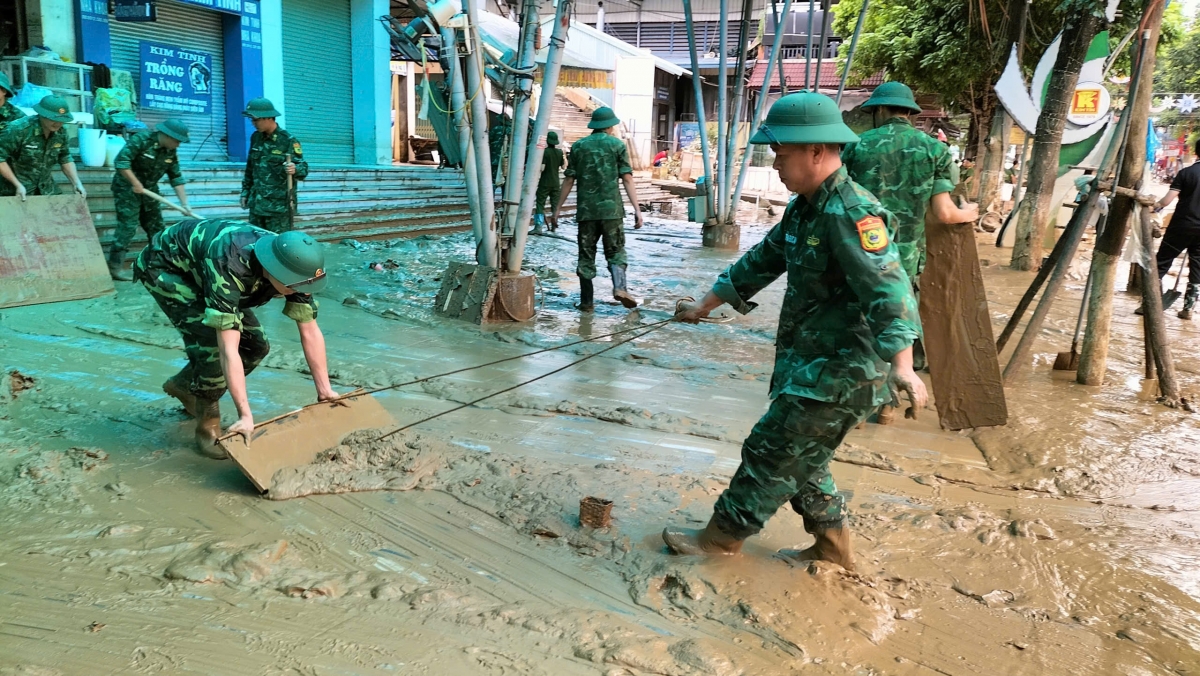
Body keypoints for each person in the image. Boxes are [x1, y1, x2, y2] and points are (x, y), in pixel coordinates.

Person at [661, 92, 926, 571]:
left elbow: (889, 289)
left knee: (771, 450)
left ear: (816, 151)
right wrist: (703, 305)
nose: (776, 165)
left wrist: (903, 366)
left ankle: (721, 539)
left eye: (781, 155)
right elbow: (762, 261)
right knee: (804, 457)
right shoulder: (804, 208)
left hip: (841, 371)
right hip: (808, 363)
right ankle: (832, 546)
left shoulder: (851, 213)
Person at [132, 219, 338, 458]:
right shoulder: (230, 264)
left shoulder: (296, 268)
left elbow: (309, 330)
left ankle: (185, 386)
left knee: (256, 346)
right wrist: (245, 415)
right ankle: (207, 426)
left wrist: (325, 390)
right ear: (274, 271)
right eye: (294, 287)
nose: (300, 291)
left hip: (206, 268)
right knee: (211, 345)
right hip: (167, 267)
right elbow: (227, 350)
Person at [842, 81, 977, 423]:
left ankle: (852, 407)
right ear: (910, 113)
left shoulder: (856, 146)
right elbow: (944, 214)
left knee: (855, 326)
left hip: (856, 254)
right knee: (898, 323)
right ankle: (888, 406)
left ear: (878, 110)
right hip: (904, 259)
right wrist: (970, 213)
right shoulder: (935, 150)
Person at [553, 106, 643, 311]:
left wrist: (557, 209)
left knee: (586, 256)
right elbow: (627, 178)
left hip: (587, 212)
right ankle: (620, 287)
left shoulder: (579, 146)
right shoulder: (617, 145)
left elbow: (569, 179)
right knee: (616, 251)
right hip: (612, 212)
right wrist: (637, 210)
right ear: (610, 126)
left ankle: (587, 302)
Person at [106, 119, 192, 281]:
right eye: (177, 141)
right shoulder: (141, 140)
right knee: (128, 227)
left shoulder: (170, 152)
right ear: (167, 135)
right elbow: (121, 162)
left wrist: (185, 203)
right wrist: (135, 183)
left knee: (157, 228)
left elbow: (176, 177)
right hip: (127, 189)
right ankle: (115, 267)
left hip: (150, 190)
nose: (178, 145)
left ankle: (158, 264)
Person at [241, 98, 308, 233]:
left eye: (256, 120)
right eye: (251, 120)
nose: (253, 123)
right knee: (255, 241)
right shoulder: (256, 138)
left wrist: (295, 169)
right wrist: (245, 193)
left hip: (278, 208)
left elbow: (303, 168)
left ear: (269, 118)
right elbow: (250, 169)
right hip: (257, 205)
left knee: (278, 243)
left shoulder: (288, 140)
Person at [0, 95, 86, 200]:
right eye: (54, 119)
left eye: (62, 119)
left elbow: (65, 157)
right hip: (15, 191)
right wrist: (17, 185)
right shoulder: (18, 129)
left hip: (46, 190)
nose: (58, 123)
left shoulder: (61, 132)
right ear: (42, 115)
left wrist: (76, 183)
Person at [1152, 139, 1200, 320]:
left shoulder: (1186, 173)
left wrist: (1153, 206)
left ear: (1196, 152)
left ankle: (1151, 303)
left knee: (1162, 261)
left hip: (1181, 226)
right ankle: (1188, 308)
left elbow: (1167, 200)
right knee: (1197, 266)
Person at [536, 130, 566, 232]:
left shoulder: (545, 152)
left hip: (544, 182)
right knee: (555, 205)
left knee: (540, 204)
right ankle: (554, 226)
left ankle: (538, 226)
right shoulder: (559, 152)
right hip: (556, 183)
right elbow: (563, 166)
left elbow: (542, 168)